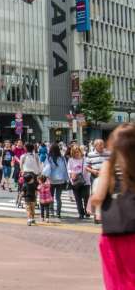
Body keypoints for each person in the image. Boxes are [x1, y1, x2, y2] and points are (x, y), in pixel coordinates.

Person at [90, 123, 135, 289]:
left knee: (116, 282)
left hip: (113, 233)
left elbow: (98, 197)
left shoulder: (109, 166)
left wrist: (95, 202)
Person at [86, 138, 110, 223]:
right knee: (96, 195)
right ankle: (96, 216)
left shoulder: (108, 154)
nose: (101, 146)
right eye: (99, 145)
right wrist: (94, 171)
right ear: (95, 146)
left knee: (106, 195)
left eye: (102, 144)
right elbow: (87, 167)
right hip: (94, 176)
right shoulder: (90, 154)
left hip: (106, 177)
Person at [43, 143, 69, 220]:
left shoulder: (49, 158)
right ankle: (58, 212)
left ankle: (51, 211)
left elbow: (46, 169)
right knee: (58, 197)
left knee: (51, 197)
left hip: (51, 180)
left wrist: (44, 177)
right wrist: (66, 179)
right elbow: (65, 169)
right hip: (60, 180)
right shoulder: (62, 158)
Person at [67, 145, 91, 219]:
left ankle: (87, 212)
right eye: (75, 152)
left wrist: (89, 169)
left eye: (78, 152)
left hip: (85, 181)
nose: (76, 154)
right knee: (78, 199)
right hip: (75, 182)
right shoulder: (71, 160)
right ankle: (81, 213)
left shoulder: (86, 159)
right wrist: (72, 173)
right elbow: (68, 169)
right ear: (72, 153)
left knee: (86, 198)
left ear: (81, 152)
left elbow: (89, 168)